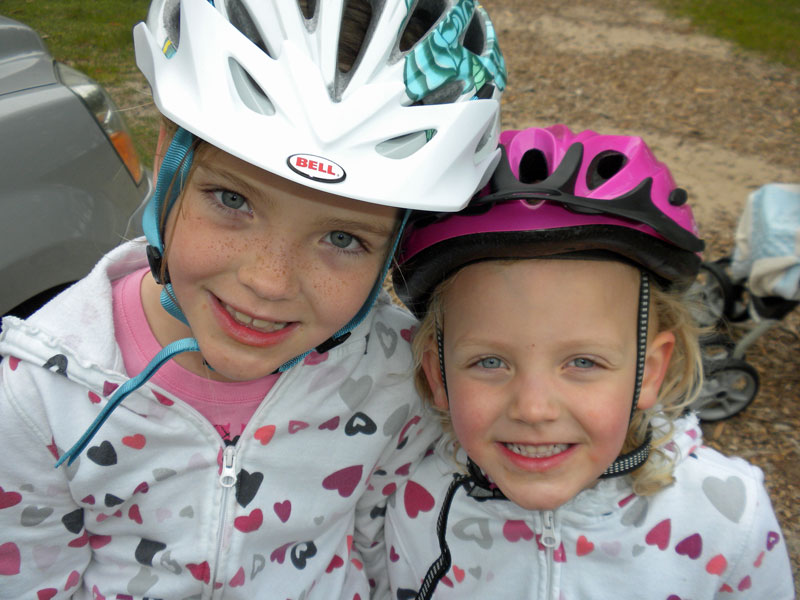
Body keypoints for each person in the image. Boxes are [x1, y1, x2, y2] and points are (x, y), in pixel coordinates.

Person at [0, 1, 507, 598]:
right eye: (232, 201)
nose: (270, 282)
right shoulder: (40, 397)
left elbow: (386, 555)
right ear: (167, 156)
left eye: (342, 238)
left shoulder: (395, 374)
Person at [385, 125, 795, 599]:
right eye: (490, 362)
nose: (534, 409)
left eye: (583, 362)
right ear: (438, 375)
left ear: (651, 370)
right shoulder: (404, 499)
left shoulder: (729, 519)